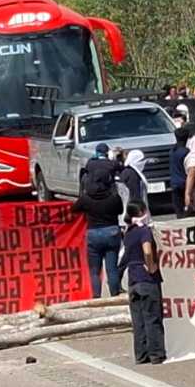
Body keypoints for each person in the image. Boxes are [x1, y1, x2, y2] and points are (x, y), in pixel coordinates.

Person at [120, 201, 165, 365]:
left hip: (133, 279)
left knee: (138, 320)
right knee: (152, 317)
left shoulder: (128, 232)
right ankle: (156, 354)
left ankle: (141, 354)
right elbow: (147, 250)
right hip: (147, 279)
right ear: (141, 212)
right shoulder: (143, 232)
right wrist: (152, 265)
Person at [72, 172, 124, 298]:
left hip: (94, 233)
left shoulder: (86, 198)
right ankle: (115, 295)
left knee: (95, 270)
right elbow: (120, 210)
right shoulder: (113, 196)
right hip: (112, 231)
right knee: (112, 269)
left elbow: (73, 209)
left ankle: (96, 297)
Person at [117, 149, 149, 214]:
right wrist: (139, 211)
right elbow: (135, 196)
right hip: (134, 214)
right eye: (140, 161)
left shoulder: (126, 172)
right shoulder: (132, 174)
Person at [169, 127, 192, 218]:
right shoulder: (186, 152)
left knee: (179, 212)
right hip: (184, 183)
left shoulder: (172, 151)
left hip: (174, 184)